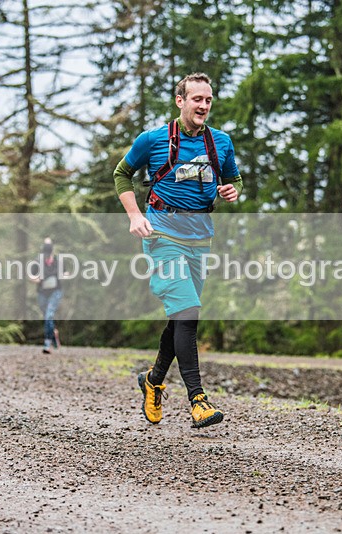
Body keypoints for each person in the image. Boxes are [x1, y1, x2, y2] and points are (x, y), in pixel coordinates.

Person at [113, 72, 243, 428]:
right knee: (188, 310)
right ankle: (197, 400)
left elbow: (234, 178)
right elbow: (121, 174)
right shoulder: (153, 139)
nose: (203, 105)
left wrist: (231, 191)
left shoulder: (221, 142)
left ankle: (153, 381)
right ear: (180, 101)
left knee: (180, 317)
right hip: (162, 236)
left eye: (208, 100)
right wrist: (135, 216)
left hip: (201, 239)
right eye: (197, 99)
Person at [32, 237, 63, 354]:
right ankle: (54, 333)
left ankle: (47, 343)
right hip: (42, 293)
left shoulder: (57, 261)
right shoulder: (37, 262)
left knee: (49, 315)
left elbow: (65, 272)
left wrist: (62, 275)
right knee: (47, 316)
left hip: (55, 292)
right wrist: (38, 280)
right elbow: (31, 275)